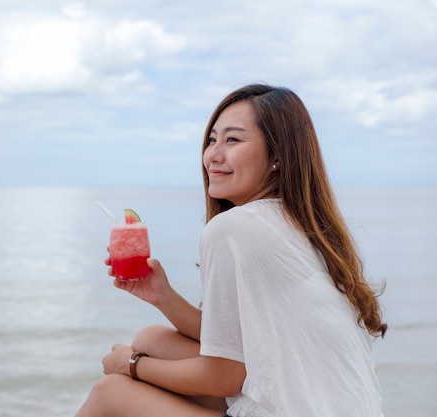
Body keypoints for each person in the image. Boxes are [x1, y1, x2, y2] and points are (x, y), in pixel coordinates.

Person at [74, 83, 386, 417]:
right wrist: (161, 296)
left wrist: (131, 365)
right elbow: (248, 344)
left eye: (232, 140)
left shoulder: (231, 229)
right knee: (152, 337)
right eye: (212, 140)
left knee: (111, 393)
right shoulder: (304, 227)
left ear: (278, 156)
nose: (213, 155)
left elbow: (225, 377)